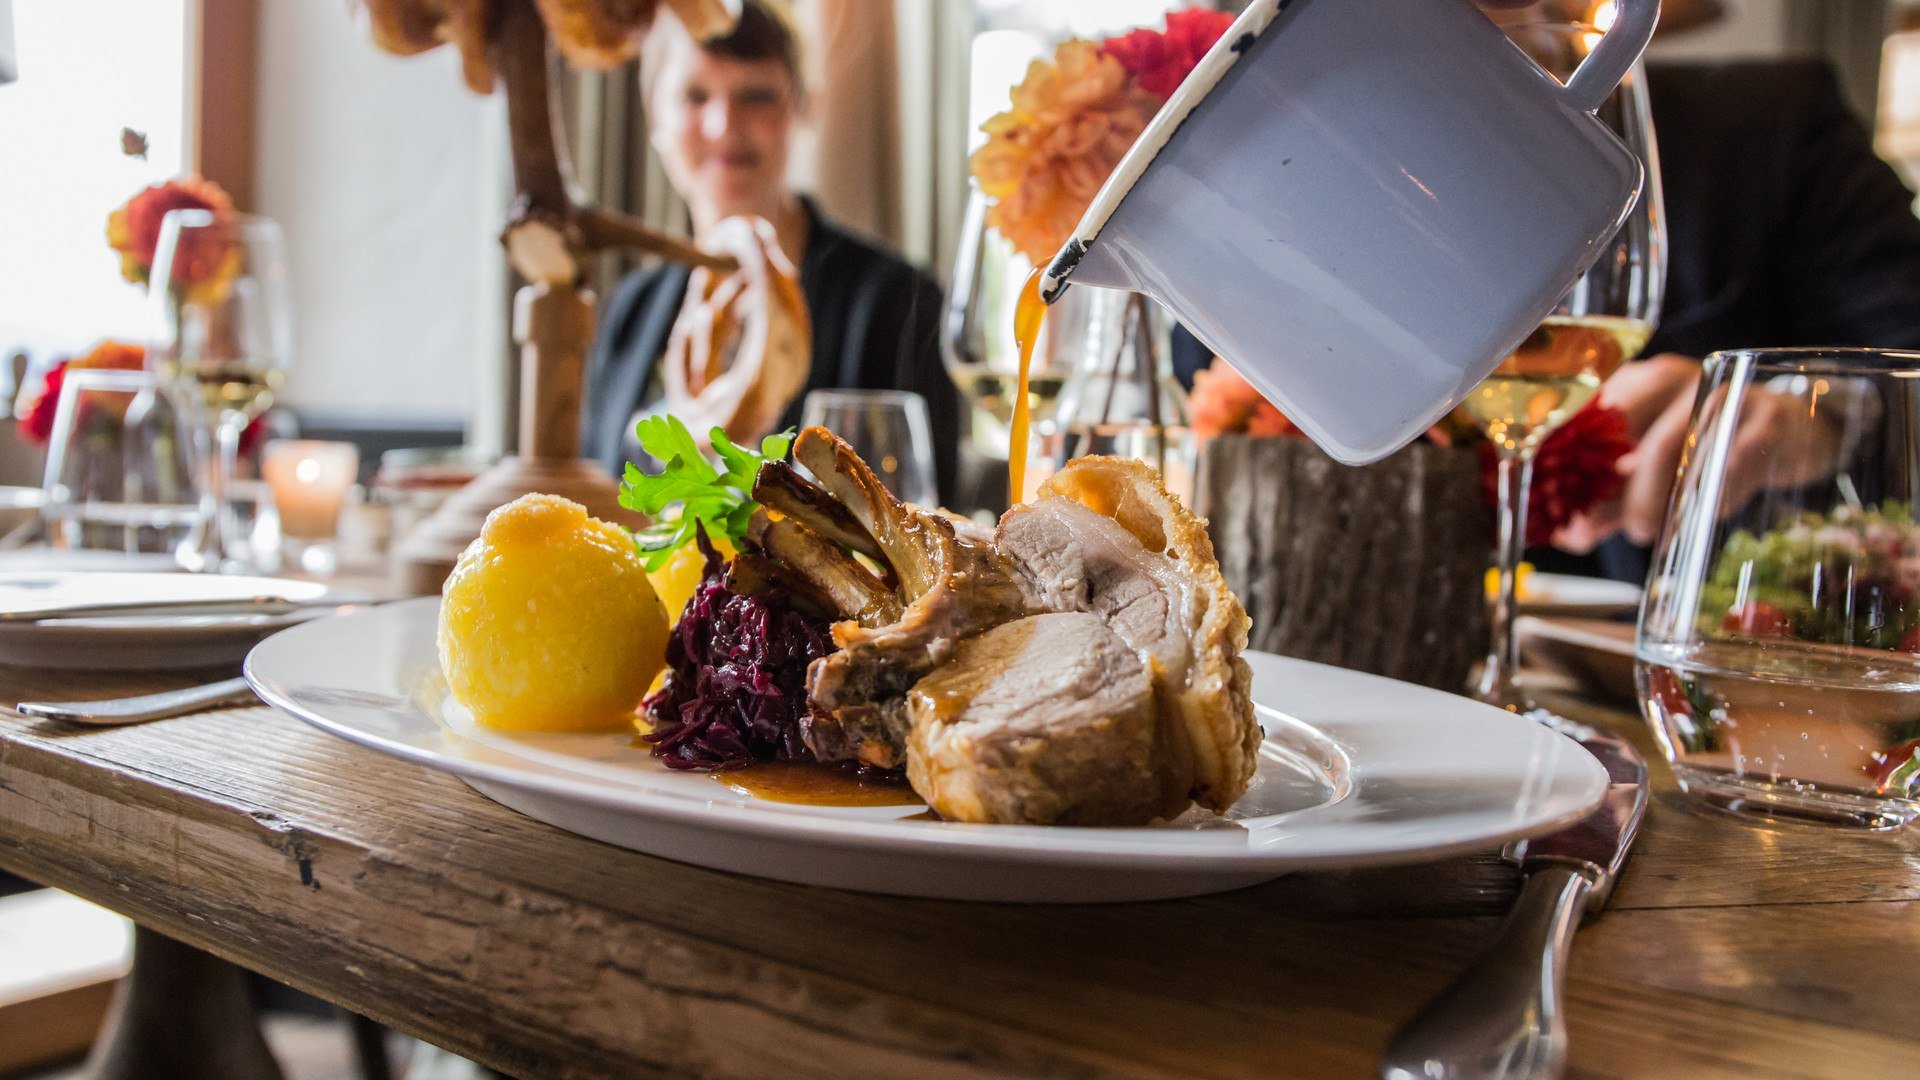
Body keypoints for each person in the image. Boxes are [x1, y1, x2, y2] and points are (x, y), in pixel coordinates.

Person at [583, 0, 959, 499]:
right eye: (695, 96)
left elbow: (925, 513)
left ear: (804, 107)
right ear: (655, 115)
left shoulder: (896, 302)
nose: (723, 125)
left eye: (756, 96)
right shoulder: (631, 309)